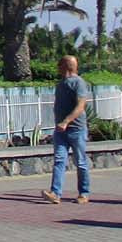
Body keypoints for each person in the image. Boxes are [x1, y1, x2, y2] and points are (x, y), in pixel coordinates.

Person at [41, 55, 91, 205]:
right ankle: (55, 193)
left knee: (80, 162)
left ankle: (84, 193)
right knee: (59, 160)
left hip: (76, 129)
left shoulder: (79, 83)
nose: (57, 68)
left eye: (59, 65)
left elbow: (81, 106)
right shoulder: (60, 84)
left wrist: (66, 121)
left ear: (66, 66)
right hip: (61, 131)